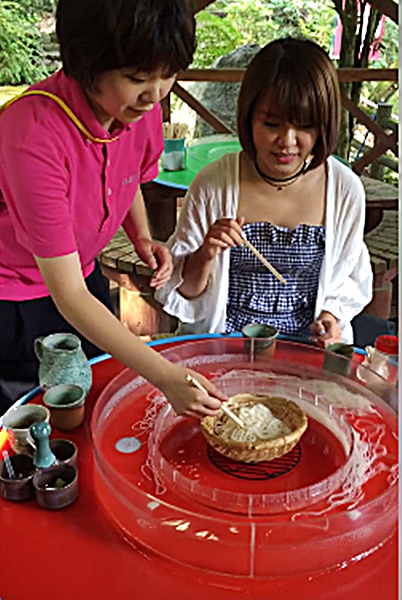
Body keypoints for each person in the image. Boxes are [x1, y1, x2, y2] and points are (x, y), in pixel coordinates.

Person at [0, 0, 225, 416]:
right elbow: (67, 295)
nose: (155, 94)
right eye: (138, 77)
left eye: (169, 74)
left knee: (95, 394)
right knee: (31, 419)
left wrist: (141, 235)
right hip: (15, 299)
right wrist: (165, 375)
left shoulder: (140, 110)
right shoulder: (32, 133)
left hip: (83, 279)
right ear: (86, 63)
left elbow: (129, 177)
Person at [156, 38, 373, 346]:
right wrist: (205, 253)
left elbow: (345, 286)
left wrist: (330, 319)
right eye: (272, 124)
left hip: (306, 350)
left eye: (305, 126)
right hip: (223, 346)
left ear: (323, 125)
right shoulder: (213, 185)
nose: (287, 141)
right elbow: (185, 295)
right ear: (248, 116)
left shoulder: (344, 191)